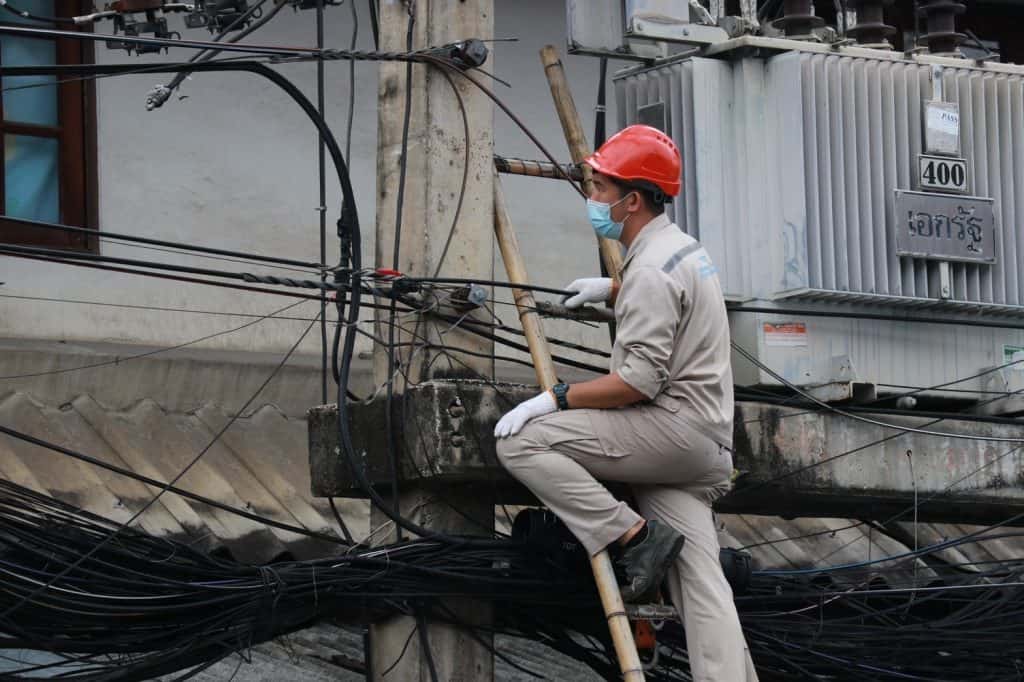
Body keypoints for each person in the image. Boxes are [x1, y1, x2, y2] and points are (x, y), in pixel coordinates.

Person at [494, 125, 758, 680]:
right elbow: (667, 293)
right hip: (705, 445)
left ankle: (632, 536)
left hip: (672, 432)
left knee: (521, 443)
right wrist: (614, 289)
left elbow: (637, 383)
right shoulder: (682, 250)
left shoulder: (651, 272)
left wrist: (555, 398)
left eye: (600, 188)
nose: (593, 198)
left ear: (632, 200)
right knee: (701, 582)